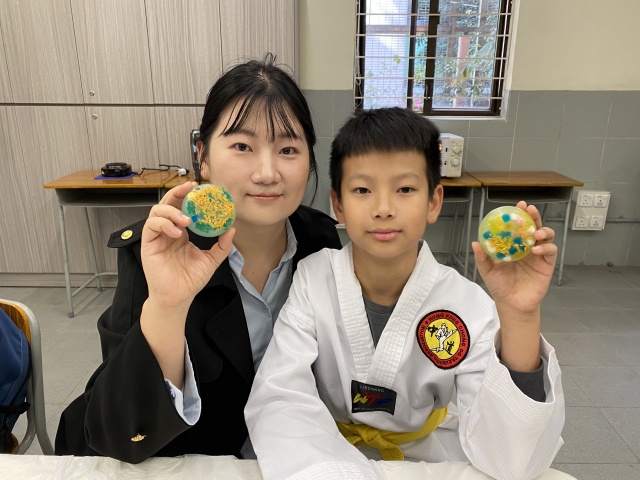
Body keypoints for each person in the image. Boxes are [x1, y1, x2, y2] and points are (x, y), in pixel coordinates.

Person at [244, 107, 565, 480]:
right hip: (323, 453)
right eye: (362, 190)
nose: (383, 209)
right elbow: (281, 395)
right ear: (338, 204)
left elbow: (513, 459)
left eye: (405, 189)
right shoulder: (313, 279)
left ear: (434, 202)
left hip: (429, 460)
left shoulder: (468, 304)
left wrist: (520, 316)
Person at [54, 54, 342, 463]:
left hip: (292, 458)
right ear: (203, 156)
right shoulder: (159, 248)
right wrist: (168, 306)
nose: (267, 172)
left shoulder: (321, 240)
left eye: (288, 149)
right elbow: (117, 434)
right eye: (242, 146)